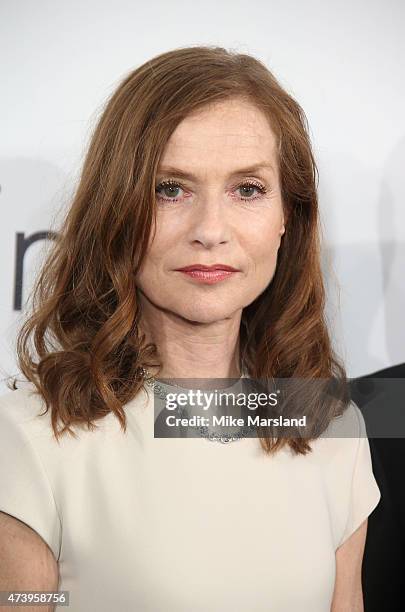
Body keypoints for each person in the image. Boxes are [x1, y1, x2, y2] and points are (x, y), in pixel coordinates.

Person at [0, 46, 381, 612]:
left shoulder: (330, 425)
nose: (210, 230)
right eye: (169, 189)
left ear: (288, 219)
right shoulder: (32, 433)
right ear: (117, 209)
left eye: (247, 189)